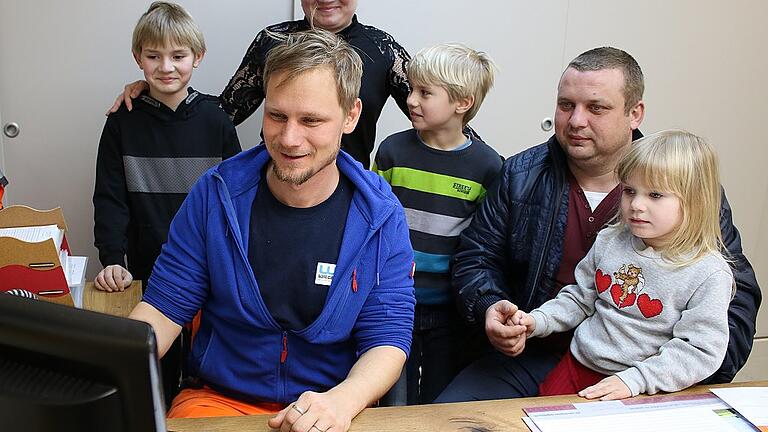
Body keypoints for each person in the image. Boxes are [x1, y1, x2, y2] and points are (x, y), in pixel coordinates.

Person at [128, 29, 415, 431]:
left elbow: (388, 338)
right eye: (276, 115)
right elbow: (163, 308)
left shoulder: (381, 216)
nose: (289, 138)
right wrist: (104, 371)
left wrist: (342, 402)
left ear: (351, 116)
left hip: (332, 405)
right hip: (218, 402)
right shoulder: (216, 195)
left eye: (311, 120)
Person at [436, 47, 761, 403]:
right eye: (565, 105)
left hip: (647, 368)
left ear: (634, 113)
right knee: (448, 417)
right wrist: (490, 307)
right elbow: (476, 258)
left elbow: (734, 302)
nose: (576, 121)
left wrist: (669, 376)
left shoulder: (688, 191)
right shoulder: (519, 175)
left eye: (596, 108)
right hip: (535, 353)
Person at [92, 0, 240, 402]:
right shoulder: (122, 120)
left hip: (211, 270)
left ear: (198, 57)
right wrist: (112, 260)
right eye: (154, 56)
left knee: (203, 375)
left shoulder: (216, 119)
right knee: (151, 375)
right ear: (138, 58)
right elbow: (110, 197)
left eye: (178, 56)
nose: (166, 67)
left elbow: (236, 201)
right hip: (144, 270)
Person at [513, 130, 732, 400]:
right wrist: (538, 320)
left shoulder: (708, 273)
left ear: (695, 201)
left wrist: (637, 380)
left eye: (654, 195)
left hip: (643, 388)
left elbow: (700, 350)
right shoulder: (610, 240)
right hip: (575, 367)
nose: (636, 205)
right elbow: (580, 298)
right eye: (629, 191)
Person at [111, 0, 411, 168]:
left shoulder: (382, 49)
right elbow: (224, 111)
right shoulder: (274, 41)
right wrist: (158, 89)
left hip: (345, 191)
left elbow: (436, 106)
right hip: (273, 183)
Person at [372, 43, 501, 404]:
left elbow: (484, 244)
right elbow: (371, 221)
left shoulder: (488, 167)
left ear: (462, 103)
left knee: (440, 398)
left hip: (449, 310)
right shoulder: (392, 151)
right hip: (395, 302)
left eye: (425, 92)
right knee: (393, 400)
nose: (411, 100)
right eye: (412, 88)